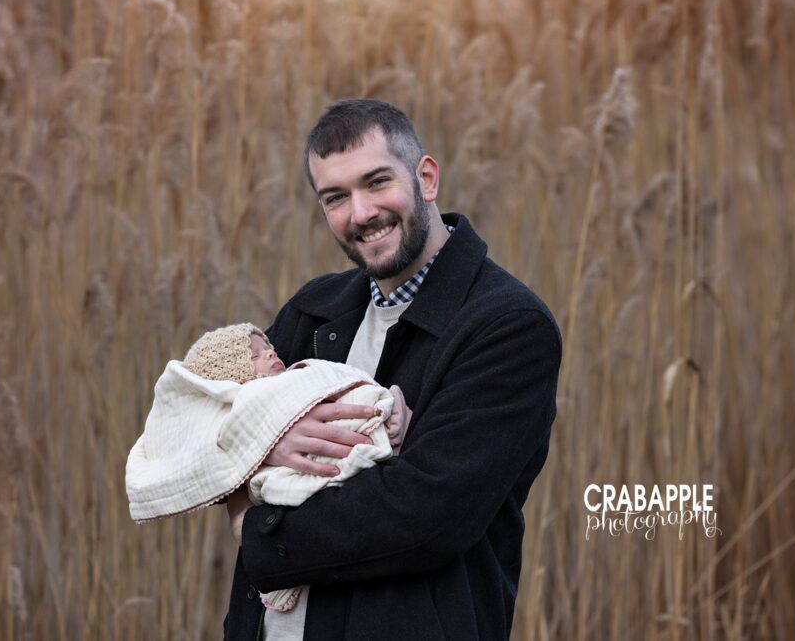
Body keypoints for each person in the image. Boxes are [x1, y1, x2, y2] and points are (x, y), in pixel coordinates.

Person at [222, 99, 562, 640]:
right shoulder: (314, 309)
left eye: (377, 182)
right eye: (336, 197)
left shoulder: (507, 326)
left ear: (426, 178)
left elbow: (425, 515)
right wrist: (267, 442)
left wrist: (255, 527)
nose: (361, 213)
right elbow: (201, 426)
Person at [124, 323, 411, 612]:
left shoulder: (295, 374)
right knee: (279, 485)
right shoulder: (300, 321)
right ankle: (376, 432)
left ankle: (379, 419)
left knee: (351, 409)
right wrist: (262, 440)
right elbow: (206, 434)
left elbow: (323, 380)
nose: (271, 353)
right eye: (254, 356)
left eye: (268, 348)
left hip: (362, 590)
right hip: (275, 585)